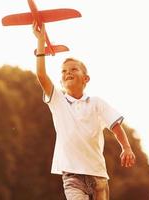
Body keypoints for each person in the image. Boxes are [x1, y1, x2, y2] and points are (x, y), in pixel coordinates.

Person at [32, 22, 136, 200]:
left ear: (86, 78)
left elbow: (115, 125)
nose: (68, 73)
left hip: (98, 176)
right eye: (64, 71)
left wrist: (126, 147)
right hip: (72, 176)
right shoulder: (57, 100)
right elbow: (41, 75)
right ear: (61, 80)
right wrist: (40, 41)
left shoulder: (96, 103)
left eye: (74, 69)